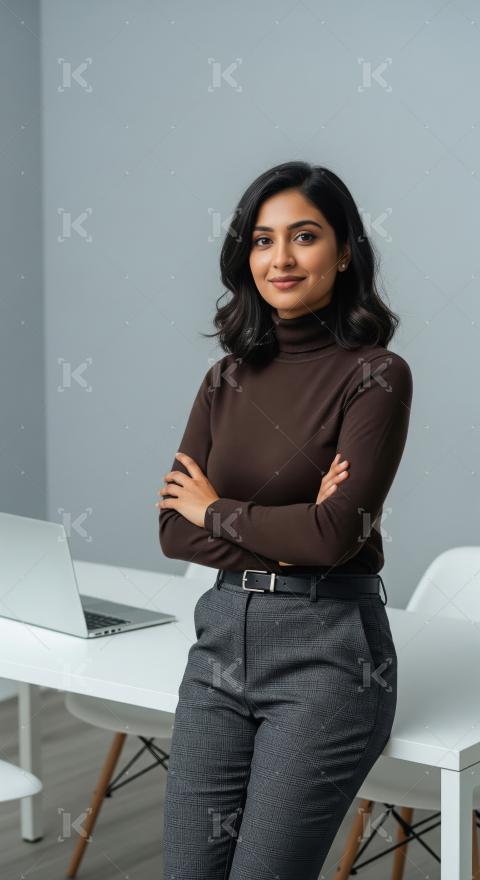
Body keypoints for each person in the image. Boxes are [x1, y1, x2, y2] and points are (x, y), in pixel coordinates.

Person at [156, 160, 413, 879]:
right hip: (217, 648)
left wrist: (216, 510)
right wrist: (297, 523)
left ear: (344, 251)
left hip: (327, 657)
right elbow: (174, 531)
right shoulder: (225, 378)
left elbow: (334, 537)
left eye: (304, 236)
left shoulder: (376, 374)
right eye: (263, 240)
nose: (281, 259)